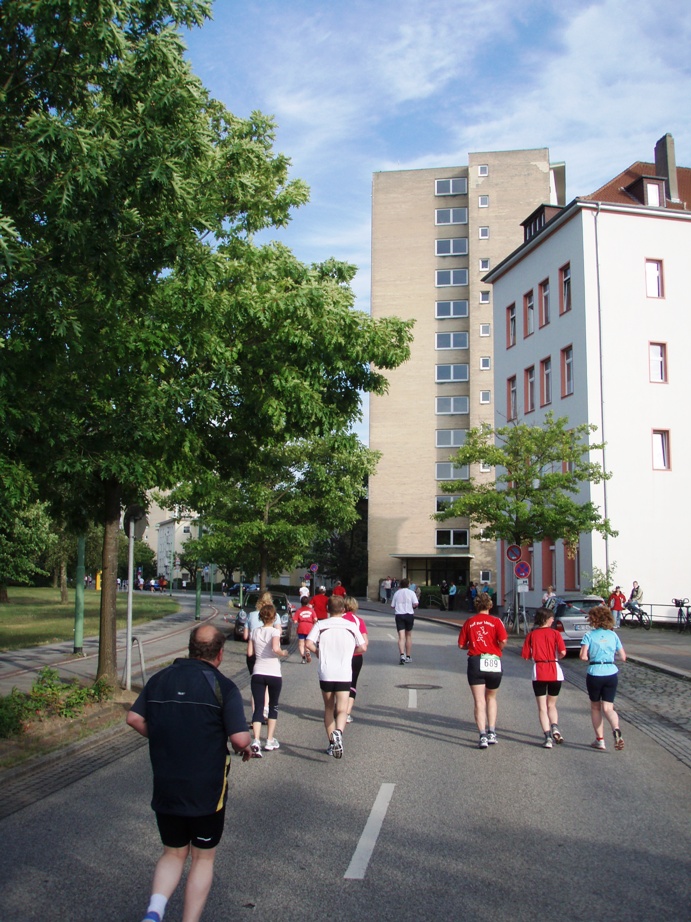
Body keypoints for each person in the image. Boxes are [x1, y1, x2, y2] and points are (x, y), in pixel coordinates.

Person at [126, 624, 253, 922]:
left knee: (172, 852)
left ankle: (154, 912)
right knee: (202, 857)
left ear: (189, 648)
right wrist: (246, 747)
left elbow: (133, 717)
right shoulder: (224, 686)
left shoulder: (160, 679)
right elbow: (239, 739)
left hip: (167, 785)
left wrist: (161, 736)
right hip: (207, 790)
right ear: (220, 654)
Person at [306, 595, 364, 758]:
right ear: (344, 609)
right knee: (342, 709)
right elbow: (363, 646)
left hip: (326, 672)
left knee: (329, 708)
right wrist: (349, 653)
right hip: (344, 672)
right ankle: (339, 732)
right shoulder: (351, 626)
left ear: (327, 609)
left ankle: (332, 744)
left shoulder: (321, 624)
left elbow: (308, 643)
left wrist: (318, 652)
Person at [458, 591, 508, 749]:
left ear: (476, 605)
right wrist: (497, 648)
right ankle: (492, 731)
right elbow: (503, 640)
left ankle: (482, 735)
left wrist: (471, 646)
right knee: (491, 698)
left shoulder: (470, 622)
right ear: (491, 605)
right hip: (493, 660)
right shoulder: (496, 621)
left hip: (476, 660)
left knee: (479, 701)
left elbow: (460, 645)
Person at [580, 604, 627, 751]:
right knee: (608, 707)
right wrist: (610, 657)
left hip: (595, 673)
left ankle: (600, 740)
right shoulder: (613, 635)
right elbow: (623, 657)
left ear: (593, 620)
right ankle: (616, 729)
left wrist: (591, 657)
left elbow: (583, 656)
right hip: (611, 672)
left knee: (595, 707)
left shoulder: (589, 635)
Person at [521, 607, 567, 748]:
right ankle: (555, 727)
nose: (553, 620)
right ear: (547, 619)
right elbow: (563, 652)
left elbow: (526, 656)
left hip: (539, 671)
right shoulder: (555, 634)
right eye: (552, 618)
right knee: (552, 704)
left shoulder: (532, 635)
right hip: (554, 670)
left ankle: (547, 737)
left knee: (542, 707)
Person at [248, 603, 288, 753]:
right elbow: (276, 649)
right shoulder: (275, 632)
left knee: (258, 707)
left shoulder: (254, 632)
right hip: (273, 673)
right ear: (274, 617)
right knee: (273, 706)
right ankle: (270, 740)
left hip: (258, 671)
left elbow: (250, 652)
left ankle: (256, 740)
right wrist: (283, 653)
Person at [343, 596, 369, 723]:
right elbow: (365, 643)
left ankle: (338, 710)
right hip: (356, 657)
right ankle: (347, 713)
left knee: (339, 684)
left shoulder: (338, 620)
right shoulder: (359, 621)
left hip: (340, 657)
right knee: (352, 684)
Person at [391, 577, 419, 664]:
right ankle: (408, 656)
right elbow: (416, 603)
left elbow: (392, 605)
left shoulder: (397, 593)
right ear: (408, 585)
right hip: (409, 614)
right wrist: (412, 606)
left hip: (399, 615)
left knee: (401, 636)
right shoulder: (411, 593)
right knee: (408, 636)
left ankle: (402, 655)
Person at [293, 597, 318, 663]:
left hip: (301, 627)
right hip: (309, 627)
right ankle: (307, 651)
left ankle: (303, 657)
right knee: (307, 642)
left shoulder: (298, 611)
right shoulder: (311, 610)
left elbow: (295, 621)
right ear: (308, 603)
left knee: (301, 643)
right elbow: (315, 619)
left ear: (301, 603)